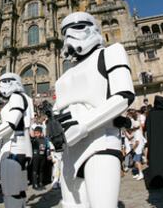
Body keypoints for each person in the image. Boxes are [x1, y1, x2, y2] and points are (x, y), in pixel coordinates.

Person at [54, 12, 135, 208]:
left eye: (79, 27)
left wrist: (83, 125)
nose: (71, 35)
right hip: (69, 151)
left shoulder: (111, 52)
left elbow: (124, 95)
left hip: (101, 140)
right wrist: (53, 127)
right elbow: (59, 109)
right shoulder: (64, 76)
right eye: (66, 32)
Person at [0, 73, 34, 208]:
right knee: (19, 189)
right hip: (18, 145)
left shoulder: (16, 97)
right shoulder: (21, 98)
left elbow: (12, 123)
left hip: (13, 146)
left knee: (11, 191)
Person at [31, 126, 50, 190]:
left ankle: (41, 183)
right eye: (35, 133)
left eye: (38, 133)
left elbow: (47, 148)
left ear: (41, 133)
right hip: (35, 157)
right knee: (35, 170)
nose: (36, 134)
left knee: (41, 170)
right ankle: (35, 184)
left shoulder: (45, 139)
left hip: (43, 157)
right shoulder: (33, 140)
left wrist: (48, 155)